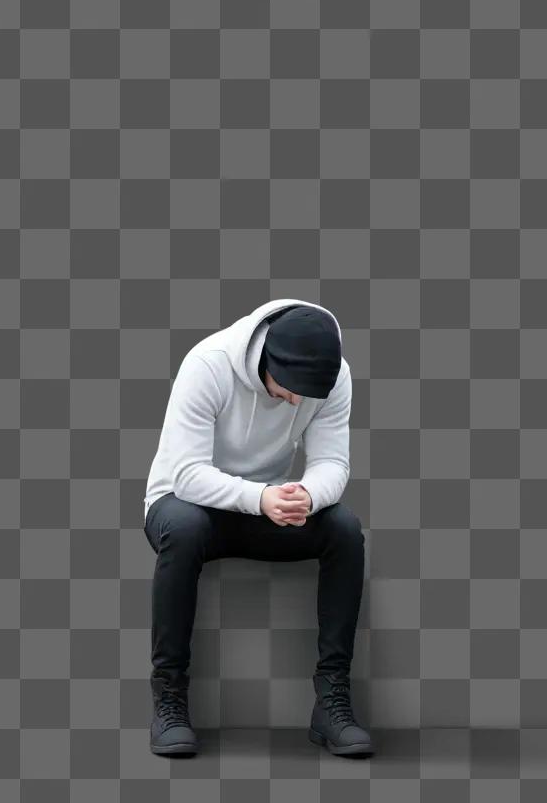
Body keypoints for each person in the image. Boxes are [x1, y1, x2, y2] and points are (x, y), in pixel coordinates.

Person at [142, 298, 373, 758]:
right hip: (184, 504)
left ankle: (332, 702)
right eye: (286, 389)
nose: (295, 401)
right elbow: (186, 473)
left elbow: (331, 462)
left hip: (266, 507)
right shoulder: (207, 365)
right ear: (264, 357)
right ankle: (169, 699)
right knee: (184, 529)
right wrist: (259, 497)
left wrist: (308, 495)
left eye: (306, 394)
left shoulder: (334, 374)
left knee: (345, 530)